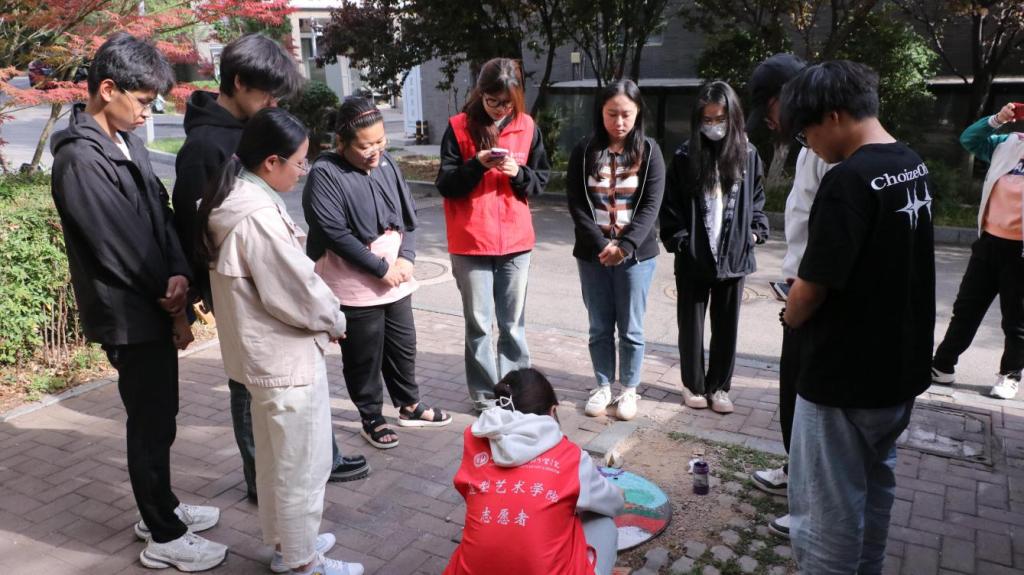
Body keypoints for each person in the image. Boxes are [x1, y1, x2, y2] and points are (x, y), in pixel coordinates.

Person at [50, 33, 227, 571]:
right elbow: (116, 246)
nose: (149, 113)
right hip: (128, 313)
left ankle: (160, 509)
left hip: (155, 299)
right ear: (108, 89)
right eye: (144, 101)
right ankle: (164, 536)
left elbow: (160, 214)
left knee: (161, 414)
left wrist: (179, 273)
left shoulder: (127, 144)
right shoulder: (80, 160)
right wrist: (169, 295)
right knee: (149, 421)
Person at [172, 34, 368, 499]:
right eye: (267, 94)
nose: (272, 103)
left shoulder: (249, 128)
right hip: (239, 285)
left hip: (266, 275)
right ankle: (262, 478)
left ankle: (317, 458)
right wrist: (206, 291)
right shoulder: (204, 146)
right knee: (250, 383)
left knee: (289, 373)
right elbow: (194, 226)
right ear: (239, 82)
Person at [779, 60, 935, 573]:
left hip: (843, 379)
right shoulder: (912, 163)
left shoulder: (848, 180)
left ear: (834, 115)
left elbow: (813, 285)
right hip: (897, 374)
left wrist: (790, 315)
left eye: (806, 132)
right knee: (873, 489)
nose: (809, 145)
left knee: (825, 513)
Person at [198, 107, 364, 575]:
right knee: (302, 463)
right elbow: (296, 290)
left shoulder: (238, 198)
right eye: (300, 161)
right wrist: (335, 318)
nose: (303, 170)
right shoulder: (256, 216)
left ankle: (288, 544)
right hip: (283, 358)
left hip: (263, 357)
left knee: (278, 460)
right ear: (271, 161)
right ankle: (302, 560)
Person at [304, 97, 451, 449]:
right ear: (341, 143)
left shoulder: (387, 163)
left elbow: (408, 215)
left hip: (396, 279)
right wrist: (381, 269)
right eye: (365, 145)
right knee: (363, 356)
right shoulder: (326, 173)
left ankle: (409, 405)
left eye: (380, 141)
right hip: (354, 284)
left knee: (403, 347)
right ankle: (371, 417)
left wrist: (407, 258)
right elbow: (335, 233)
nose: (375, 151)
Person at [744, 53, 833, 539]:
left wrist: (803, 295)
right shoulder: (806, 146)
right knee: (793, 395)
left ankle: (813, 506)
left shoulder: (828, 150)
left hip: (813, 296)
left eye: (770, 109)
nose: (770, 121)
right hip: (798, 289)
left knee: (812, 400)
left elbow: (830, 239)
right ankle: (796, 471)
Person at [435, 58, 551, 411]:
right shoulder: (458, 128)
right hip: (470, 242)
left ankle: (519, 394)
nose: (500, 109)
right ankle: (486, 397)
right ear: (480, 94)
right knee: (480, 326)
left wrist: (518, 172)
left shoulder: (527, 126)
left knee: (512, 325)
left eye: (507, 103)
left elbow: (540, 181)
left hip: (516, 243)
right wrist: (476, 165)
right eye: (492, 101)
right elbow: (446, 184)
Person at [444, 368, 625, 575]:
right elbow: (614, 504)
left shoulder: (475, 439)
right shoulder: (571, 457)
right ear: (552, 411)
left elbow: (469, 492)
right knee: (602, 523)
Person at [659, 81, 768, 414]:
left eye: (720, 119)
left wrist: (754, 234)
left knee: (726, 326)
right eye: (707, 119)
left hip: (734, 255)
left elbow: (758, 198)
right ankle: (693, 385)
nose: (714, 126)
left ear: (733, 117)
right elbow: (671, 205)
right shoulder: (685, 155)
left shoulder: (748, 154)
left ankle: (719, 387)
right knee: (691, 325)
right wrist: (681, 241)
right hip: (694, 256)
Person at [567, 79, 665, 421]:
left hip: (635, 257)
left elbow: (651, 205)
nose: (619, 122)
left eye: (626, 114)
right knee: (599, 326)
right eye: (612, 114)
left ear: (637, 113)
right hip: (592, 254)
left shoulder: (650, 151)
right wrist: (601, 244)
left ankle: (629, 389)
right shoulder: (584, 150)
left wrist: (624, 246)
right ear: (601, 112)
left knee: (631, 328)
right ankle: (603, 385)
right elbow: (577, 203)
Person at [931, 102, 1024, 400]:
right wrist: (997, 119)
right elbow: (970, 140)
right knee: (966, 309)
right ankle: (942, 365)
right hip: (989, 242)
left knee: (1016, 321)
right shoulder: (1007, 144)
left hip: (1021, 252)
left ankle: (1010, 375)